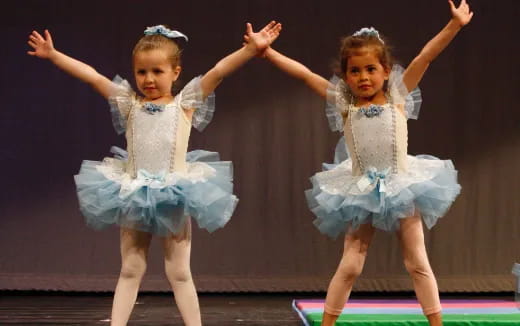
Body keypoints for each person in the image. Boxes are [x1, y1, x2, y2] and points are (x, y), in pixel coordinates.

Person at [27, 21, 281, 326]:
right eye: (141, 72)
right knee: (131, 268)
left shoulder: (184, 104)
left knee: (179, 272)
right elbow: (93, 77)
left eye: (157, 72)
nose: (148, 79)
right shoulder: (129, 104)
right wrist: (55, 56)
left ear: (175, 72)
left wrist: (250, 50)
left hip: (174, 194)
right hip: (134, 193)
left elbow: (217, 72)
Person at [247, 1, 472, 325]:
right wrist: (268, 54)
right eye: (355, 70)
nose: (363, 77)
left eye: (370, 69)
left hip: (401, 185)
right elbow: (306, 75)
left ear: (385, 71)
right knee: (351, 264)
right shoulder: (344, 104)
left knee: (417, 261)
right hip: (361, 188)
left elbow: (425, 57)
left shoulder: (398, 96)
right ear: (345, 75)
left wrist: (454, 26)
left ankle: (436, 323)